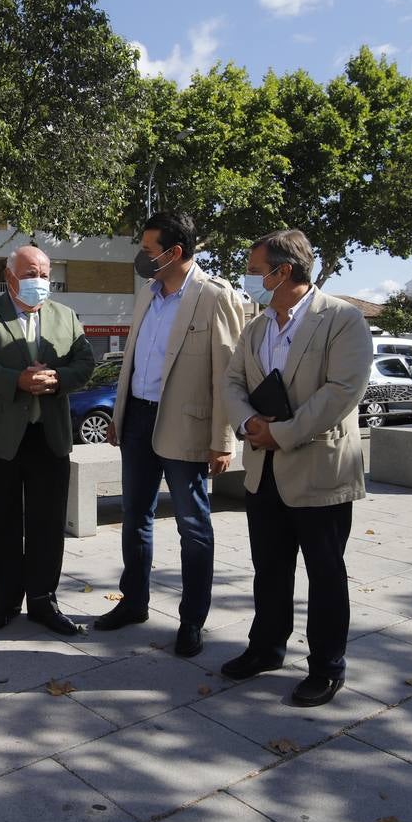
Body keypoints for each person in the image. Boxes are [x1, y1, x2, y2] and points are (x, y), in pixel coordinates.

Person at [220, 229, 372, 707]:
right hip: (262, 469)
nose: (248, 277)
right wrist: (247, 422)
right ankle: (265, 648)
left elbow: (342, 391)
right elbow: (232, 380)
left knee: (325, 573)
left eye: (253, 267)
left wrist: (280, 433)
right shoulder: (258, 325)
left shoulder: (342, 319)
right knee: (269, 568)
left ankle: (327, 667)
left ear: (282, 271)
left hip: (318, 469)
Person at [97, 212, 244, 658]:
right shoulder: (147, 292)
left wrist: (223, 438)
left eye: (147, 249)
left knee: (193, 526)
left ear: (174, 252)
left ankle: (191, 621)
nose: (141, 257)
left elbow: (228, 373)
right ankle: (134, 602)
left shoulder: (215, 296)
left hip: (187, 426)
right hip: (139, 421)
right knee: (134, 518)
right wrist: (121, 416)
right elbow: (135, 360)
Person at [0, 245, 95, 635]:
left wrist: (56, 380)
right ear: (11, 276)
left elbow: (85, 363)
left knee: (48, 524)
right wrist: (15, 379)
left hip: (48, 437)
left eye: (46, 273)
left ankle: (42, 601)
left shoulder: (65, 316)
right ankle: (5, 602)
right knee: (0, 524)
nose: (41, 281)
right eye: (32, 272)